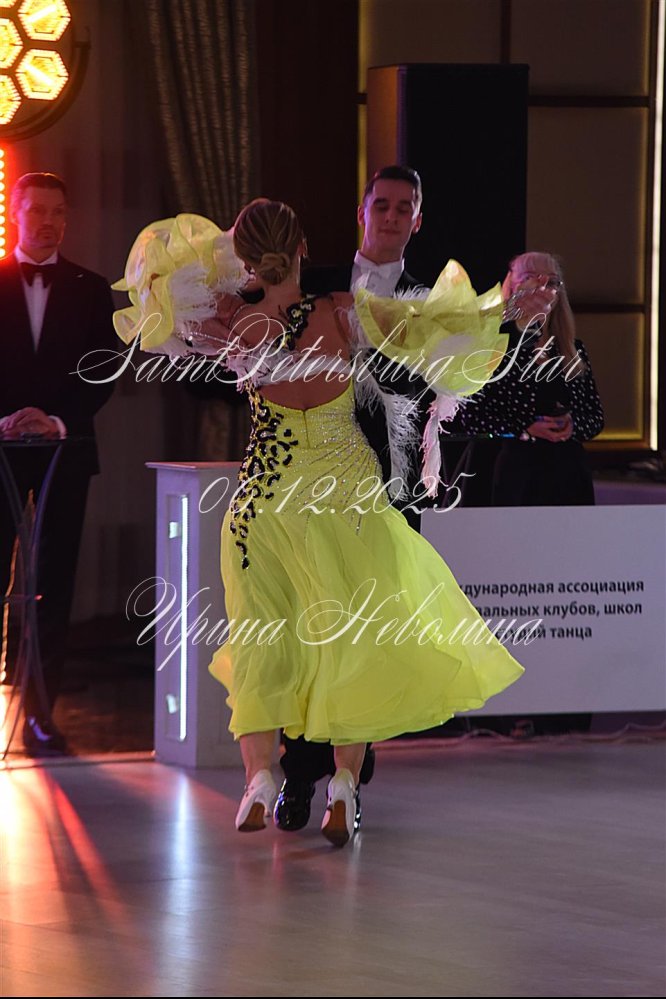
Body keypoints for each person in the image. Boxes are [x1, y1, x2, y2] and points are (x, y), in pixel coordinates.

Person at [114, 198, 531, 846]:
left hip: (264, 502)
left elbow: (160, 289)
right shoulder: (342, 312)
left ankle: (259, 778)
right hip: (344, 498)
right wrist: (498, 312)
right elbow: (432, 333)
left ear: (245, 258)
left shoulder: (230, 322)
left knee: (261, 641)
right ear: (303, 247)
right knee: (350, 642)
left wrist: (224, 271)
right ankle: (342, 784)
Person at [276, 165, 430, 834]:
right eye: (382, 204)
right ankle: (298, 774)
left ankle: (349, 784)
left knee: (368, 640)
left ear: (418, 219)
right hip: (312, 482)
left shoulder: (431, 299)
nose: (392, 216)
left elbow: (437, 391)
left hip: (388, 490)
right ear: (362, 212)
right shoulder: (311, 283)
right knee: (308, 634)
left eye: (404, 207)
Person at [0, 172, 117, 755]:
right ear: (15, 213)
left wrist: (56, 420)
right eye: (37, 210)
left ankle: (41, 716)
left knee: (54, 584)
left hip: (64, 453)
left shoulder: (91, 288)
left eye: (58, 212)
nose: (47, 222)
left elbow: (103, 369)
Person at [456, 251, 604, 504]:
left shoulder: (572, 349)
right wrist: (523, 428)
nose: (542, 288)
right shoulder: (492, 345)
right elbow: (469, 416)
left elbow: (595, 417)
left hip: (567, 474)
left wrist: (572, 425)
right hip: (511, 473)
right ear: (512, 287)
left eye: (551, 281)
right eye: (531, 278)